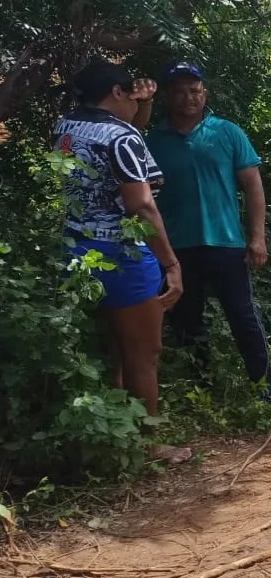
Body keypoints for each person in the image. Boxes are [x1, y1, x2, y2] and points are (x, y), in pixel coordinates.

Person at [54, 61, 191, 464]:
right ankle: (147, 444)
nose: (136, 99)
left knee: (112, 348)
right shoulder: (120, 137)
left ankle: (114, 435)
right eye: (131, 93)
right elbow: (142, 206)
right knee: (144, 354)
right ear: (116, 93)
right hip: (123, 254)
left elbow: (125, 139)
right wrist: (170, 264)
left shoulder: (66, 127)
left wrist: (142, 106)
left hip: (77, 250)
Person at [143, 61, 271, 401]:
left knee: (243, 317)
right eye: (180, 91)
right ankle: (203, 393)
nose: (188, 97)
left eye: (195, 91)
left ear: (205, 94)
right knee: (186, 323)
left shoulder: (227, 132)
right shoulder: (152, 141)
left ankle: (266, 392)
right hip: (176, 250)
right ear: (168, 97)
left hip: (225, 243)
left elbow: (253, 185)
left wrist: (257, 237)